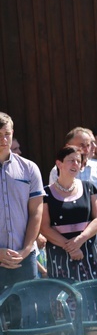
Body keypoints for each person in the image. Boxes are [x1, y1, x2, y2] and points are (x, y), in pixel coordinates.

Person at [41, 145, 97, 335]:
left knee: (92, 303)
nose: (75, 164)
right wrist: (69, 247)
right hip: (60, 257)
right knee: (65, 306)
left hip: (89, 253)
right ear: (58, 163)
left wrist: (79, 241)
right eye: (71, 160)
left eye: (78, 161)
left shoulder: (89, 187)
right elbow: (44, 227)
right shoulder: (46, 193)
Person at [49, 127, 97, 279]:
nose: (86, 149)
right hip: (66, 239)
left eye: (88, 145)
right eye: (82, 145)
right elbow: (53, 205)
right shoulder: (57, 171)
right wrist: (73, 244)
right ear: (68, 146)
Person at [0, 112, 44, 293]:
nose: (3, 139)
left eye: (7, 134)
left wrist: (25, 250)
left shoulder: (29, 168)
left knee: (28, 316)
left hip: (24, 258)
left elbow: (36, 212)